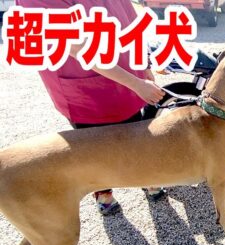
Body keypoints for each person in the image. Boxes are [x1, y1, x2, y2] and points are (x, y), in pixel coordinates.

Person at [16, 0, 166, 215]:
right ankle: (103, 193)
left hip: (126, 73)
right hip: (82, 85)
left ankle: (148, 179)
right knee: (94, 148)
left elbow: (130, 18)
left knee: (139, 135)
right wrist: (136, 83)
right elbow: (76, 46)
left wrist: (144, 65)